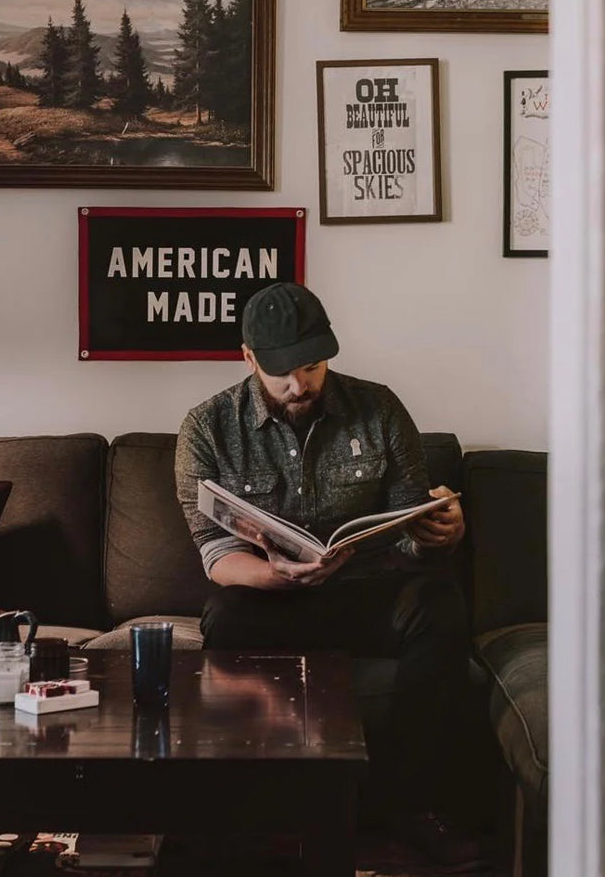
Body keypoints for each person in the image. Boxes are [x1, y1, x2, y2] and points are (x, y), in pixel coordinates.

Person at [175, 282, 481, 868]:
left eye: (312, 367)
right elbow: (215, 553)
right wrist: (278, 575)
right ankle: (254, 816)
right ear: (248, 357)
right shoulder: (208, 427)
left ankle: (411, 809)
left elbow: (410, 531)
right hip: (271, 599)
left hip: (368, 592)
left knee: (438, 602)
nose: (299, 385)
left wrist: (439, 533)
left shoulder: (380, 407)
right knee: (224, 617)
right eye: (283, 373)